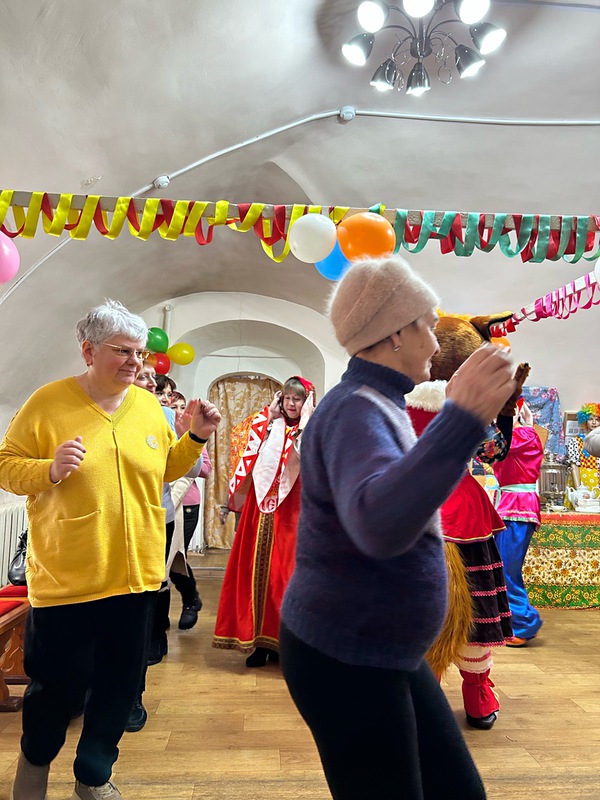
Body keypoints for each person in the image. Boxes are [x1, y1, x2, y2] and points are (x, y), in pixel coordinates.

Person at [279, 256, 517, 800]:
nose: (436, 343)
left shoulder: (375, 402)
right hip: (347, 656)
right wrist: (462, 420)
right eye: (428, 326)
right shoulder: (355, 410)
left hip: (381, 650)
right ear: (394, 334)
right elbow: (379, 526)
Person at [0, 300, 221, 800]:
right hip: (67, 578)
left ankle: (94, 774)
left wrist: (195, 438)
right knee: (57, 686)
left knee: (119, 686)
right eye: (123, 351)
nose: (135, 362)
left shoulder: (147, 406)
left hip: (137, 577)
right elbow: (5, 465)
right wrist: (48, 469)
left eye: (139, 352)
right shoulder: (47, 402)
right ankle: (35, 765)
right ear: (88, 351)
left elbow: (164, 469)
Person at [213, 376, 315, 667]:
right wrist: (268, 418)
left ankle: (285, 643)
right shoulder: (267, 424)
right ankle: (257, 640)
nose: (291, 404)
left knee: (286, 575)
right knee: (256, 570)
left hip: (294, 511)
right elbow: (241, 449)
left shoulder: (316, 429)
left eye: (297, 399)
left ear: (307, 401)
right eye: (287, 398)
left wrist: (306, 426)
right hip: (261, 511)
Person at [493, 399, 544, 647]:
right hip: (510, 506)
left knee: (506, 569)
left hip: (518, 508)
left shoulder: (523, 435)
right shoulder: (520, 434)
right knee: (503, 568)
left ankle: (523, 624)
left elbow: (497, 447)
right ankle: (513, 621)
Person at [170, 390, 213, 621]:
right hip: (158, 502)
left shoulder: (190, 435)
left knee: (176, 557)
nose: (178, 411)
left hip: (187, 504)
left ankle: (190, 600)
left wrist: (186, 451)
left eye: (182, 406)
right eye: (173, 407)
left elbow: (205, 469)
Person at [566, 403, 600, 496]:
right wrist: (578, 491)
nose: (594, 422)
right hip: (582, 483)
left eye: (597, 419)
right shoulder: (576, 441)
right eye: (590, 419)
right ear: (585, 420)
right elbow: (574, 466)